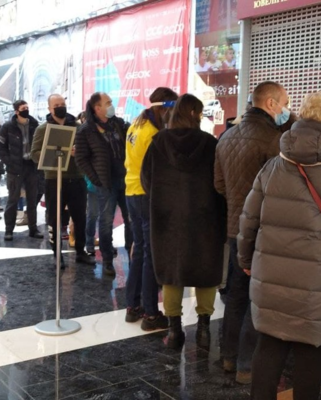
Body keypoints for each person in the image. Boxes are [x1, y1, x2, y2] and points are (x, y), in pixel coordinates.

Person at [239, 90, 321, 400]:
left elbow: (248, 221)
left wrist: (245, 260)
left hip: (271, 277)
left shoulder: (273, 166)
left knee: (269, 346)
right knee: (311, 358)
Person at [215, 81, 289, 384]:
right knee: (256, 297)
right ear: (271, 104)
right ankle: (247, 365)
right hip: (262, 229)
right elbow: (279, 189)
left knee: (235, 294)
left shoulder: (226, 137)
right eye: (285, 103)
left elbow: (219, 184)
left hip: (234, 228)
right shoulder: (273, 140)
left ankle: (228, 356)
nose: (286, 109)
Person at [141, 93, 226, 349]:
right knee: (206, 271)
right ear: (194, 114)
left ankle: (175, 331)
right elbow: (220, 181)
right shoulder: (210, 144)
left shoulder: (158, 142)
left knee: (172, 272)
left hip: (167, 219)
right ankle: (203, 329)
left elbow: (146, 180)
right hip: (205, 216)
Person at [123, 87, 178, 330]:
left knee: (140, 250)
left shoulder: (136, 126)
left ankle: (132, 306)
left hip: (131, 192)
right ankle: (151, 314)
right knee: (149, 254)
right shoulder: (154, 134)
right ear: (166, 108)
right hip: (146, 195)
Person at [31, 94, 95, 265]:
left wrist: (79, 151)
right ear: (49, 109)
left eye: (62, 104)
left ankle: (80, 251)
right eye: (56, 105)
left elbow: (89, 150)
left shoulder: (78, 127)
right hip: (54, 179)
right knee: (54, 218)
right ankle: (57, 253)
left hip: (77, 177)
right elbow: (34, 153)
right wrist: (57, 153)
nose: (61, 107)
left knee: (80, 217)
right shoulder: (43, 129)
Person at [74, 92, 131, 275]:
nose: (111, 105)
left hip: (126, 180)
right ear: (97, 108)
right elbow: (81, 159)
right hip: (105, 183)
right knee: (106, 222)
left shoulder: (118, 124)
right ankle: (107, 260)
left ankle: (133, 257)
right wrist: (96, 179)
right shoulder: (86, 130)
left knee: (131, 219)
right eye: (108, 103)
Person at [0, 100, 44, 241]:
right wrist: (9, 162)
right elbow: (0, 146)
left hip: (31, 166)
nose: (26, 110)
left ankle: (33, 228)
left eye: (27, 107)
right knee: (13, 199)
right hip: (15, 167)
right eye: (23, 108)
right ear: (16, 111)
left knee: (32, 199)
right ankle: (9, 230)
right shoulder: (7, 127)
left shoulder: (35, 125)